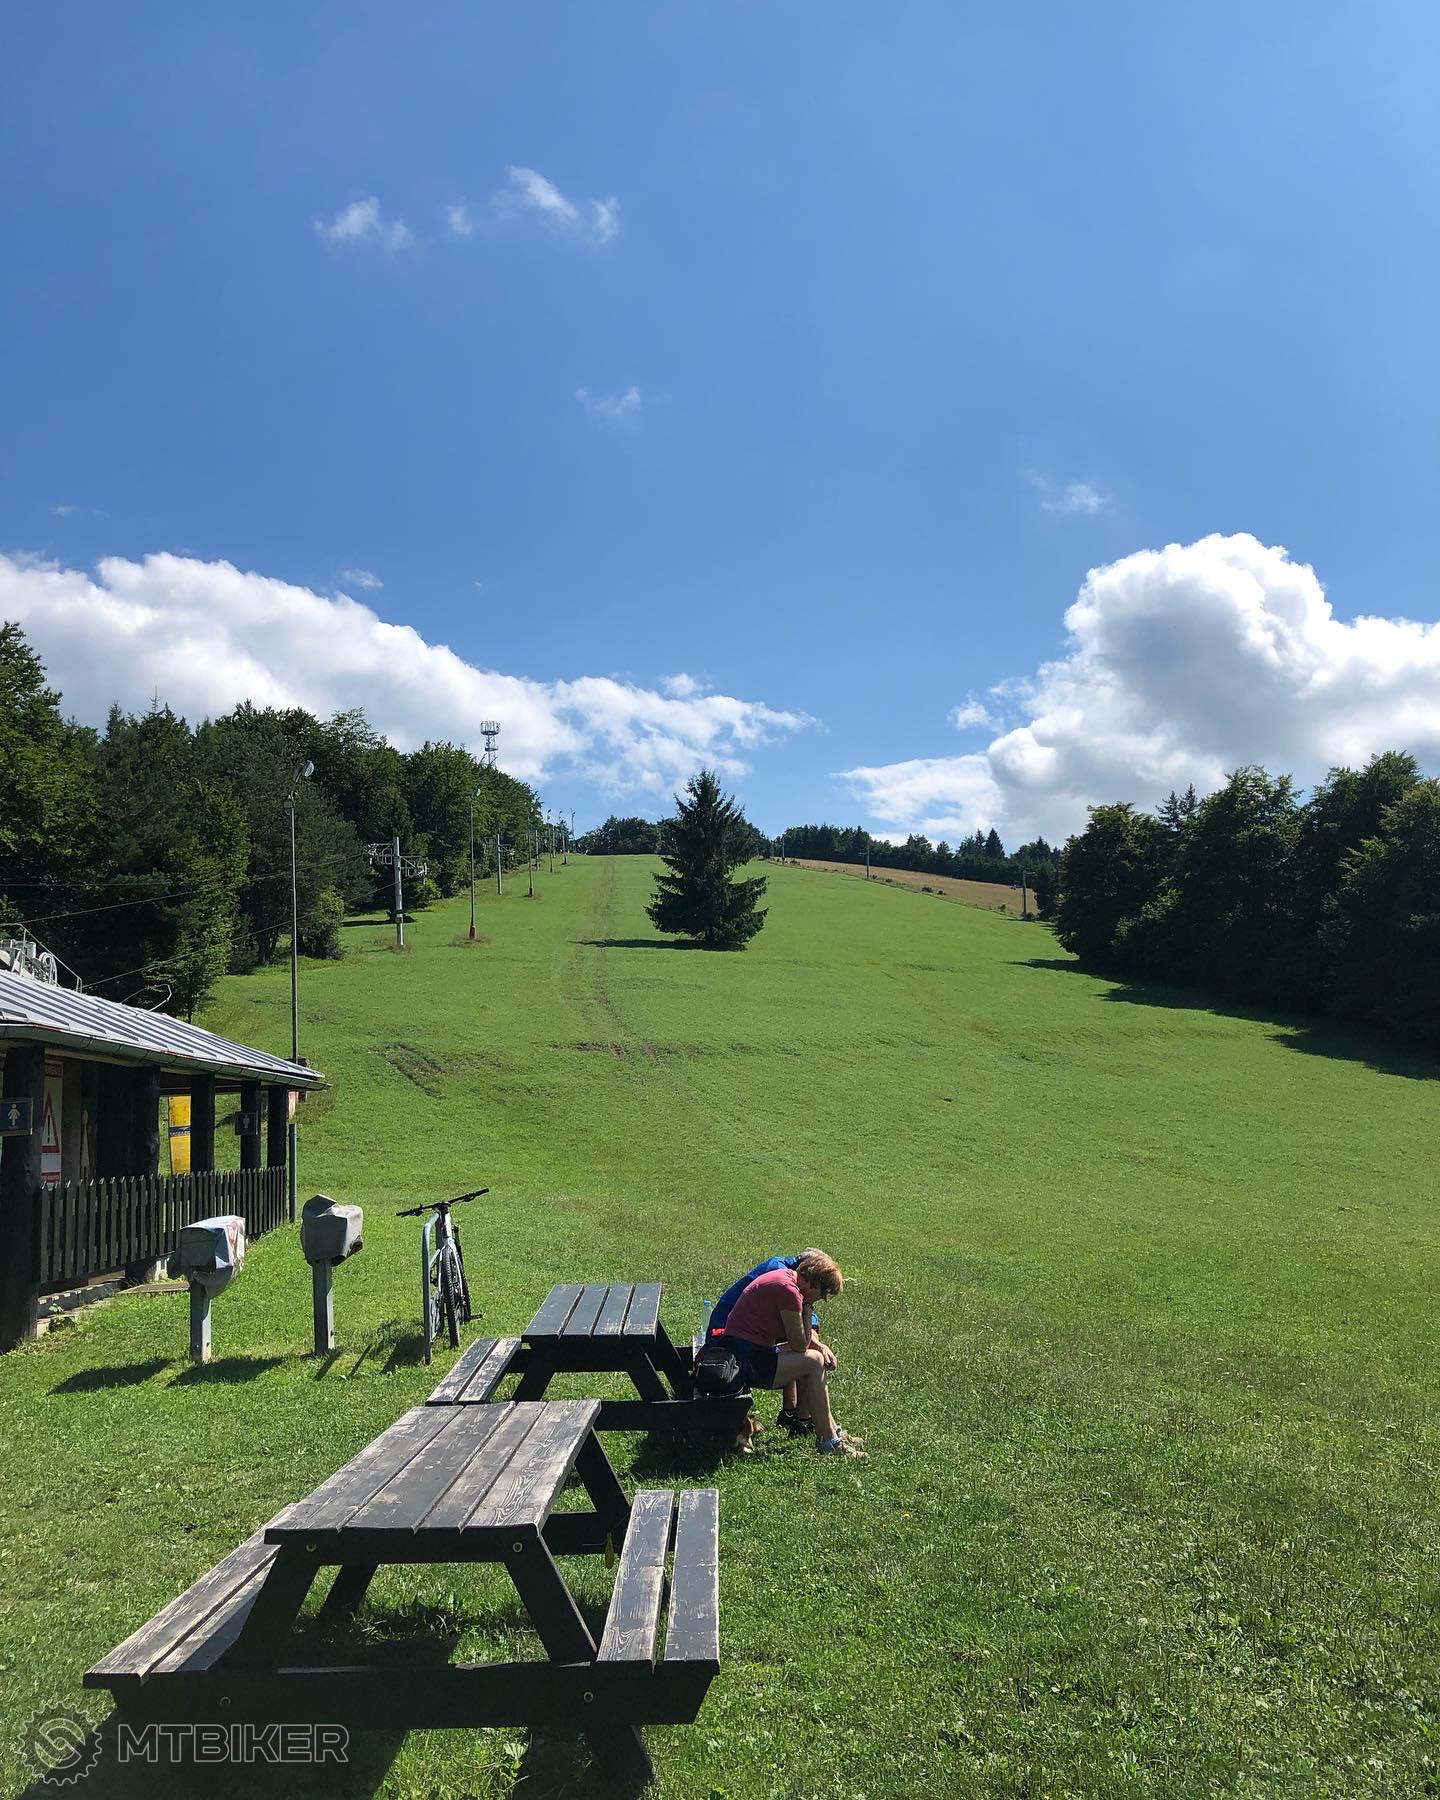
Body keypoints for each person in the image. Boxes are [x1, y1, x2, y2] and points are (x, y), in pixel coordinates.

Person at [714, 1250, 864, 1458]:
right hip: (746, 1361)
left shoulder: (785, 1279)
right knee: (813, 1361)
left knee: (813, 1357)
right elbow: (799, 1344)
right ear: (813, 1284)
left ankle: (831, 1432)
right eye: (823, 1295)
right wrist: (808, 1307)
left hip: (744, 1352)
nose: (821, 1300)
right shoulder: (789, 1291)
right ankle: (829, 1441)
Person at [707, 1251, 826, 1433]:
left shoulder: (790, 1277)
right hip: (726, 1342)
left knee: (802, 1348)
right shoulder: (782, 1276)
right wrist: (818, 1344)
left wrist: (815, 1339)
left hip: (740, 1341)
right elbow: (798, 1324)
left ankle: (792, 1413)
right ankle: (805, 1421)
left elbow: (802, 1319)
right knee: (809, 1357)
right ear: (809, 1275)